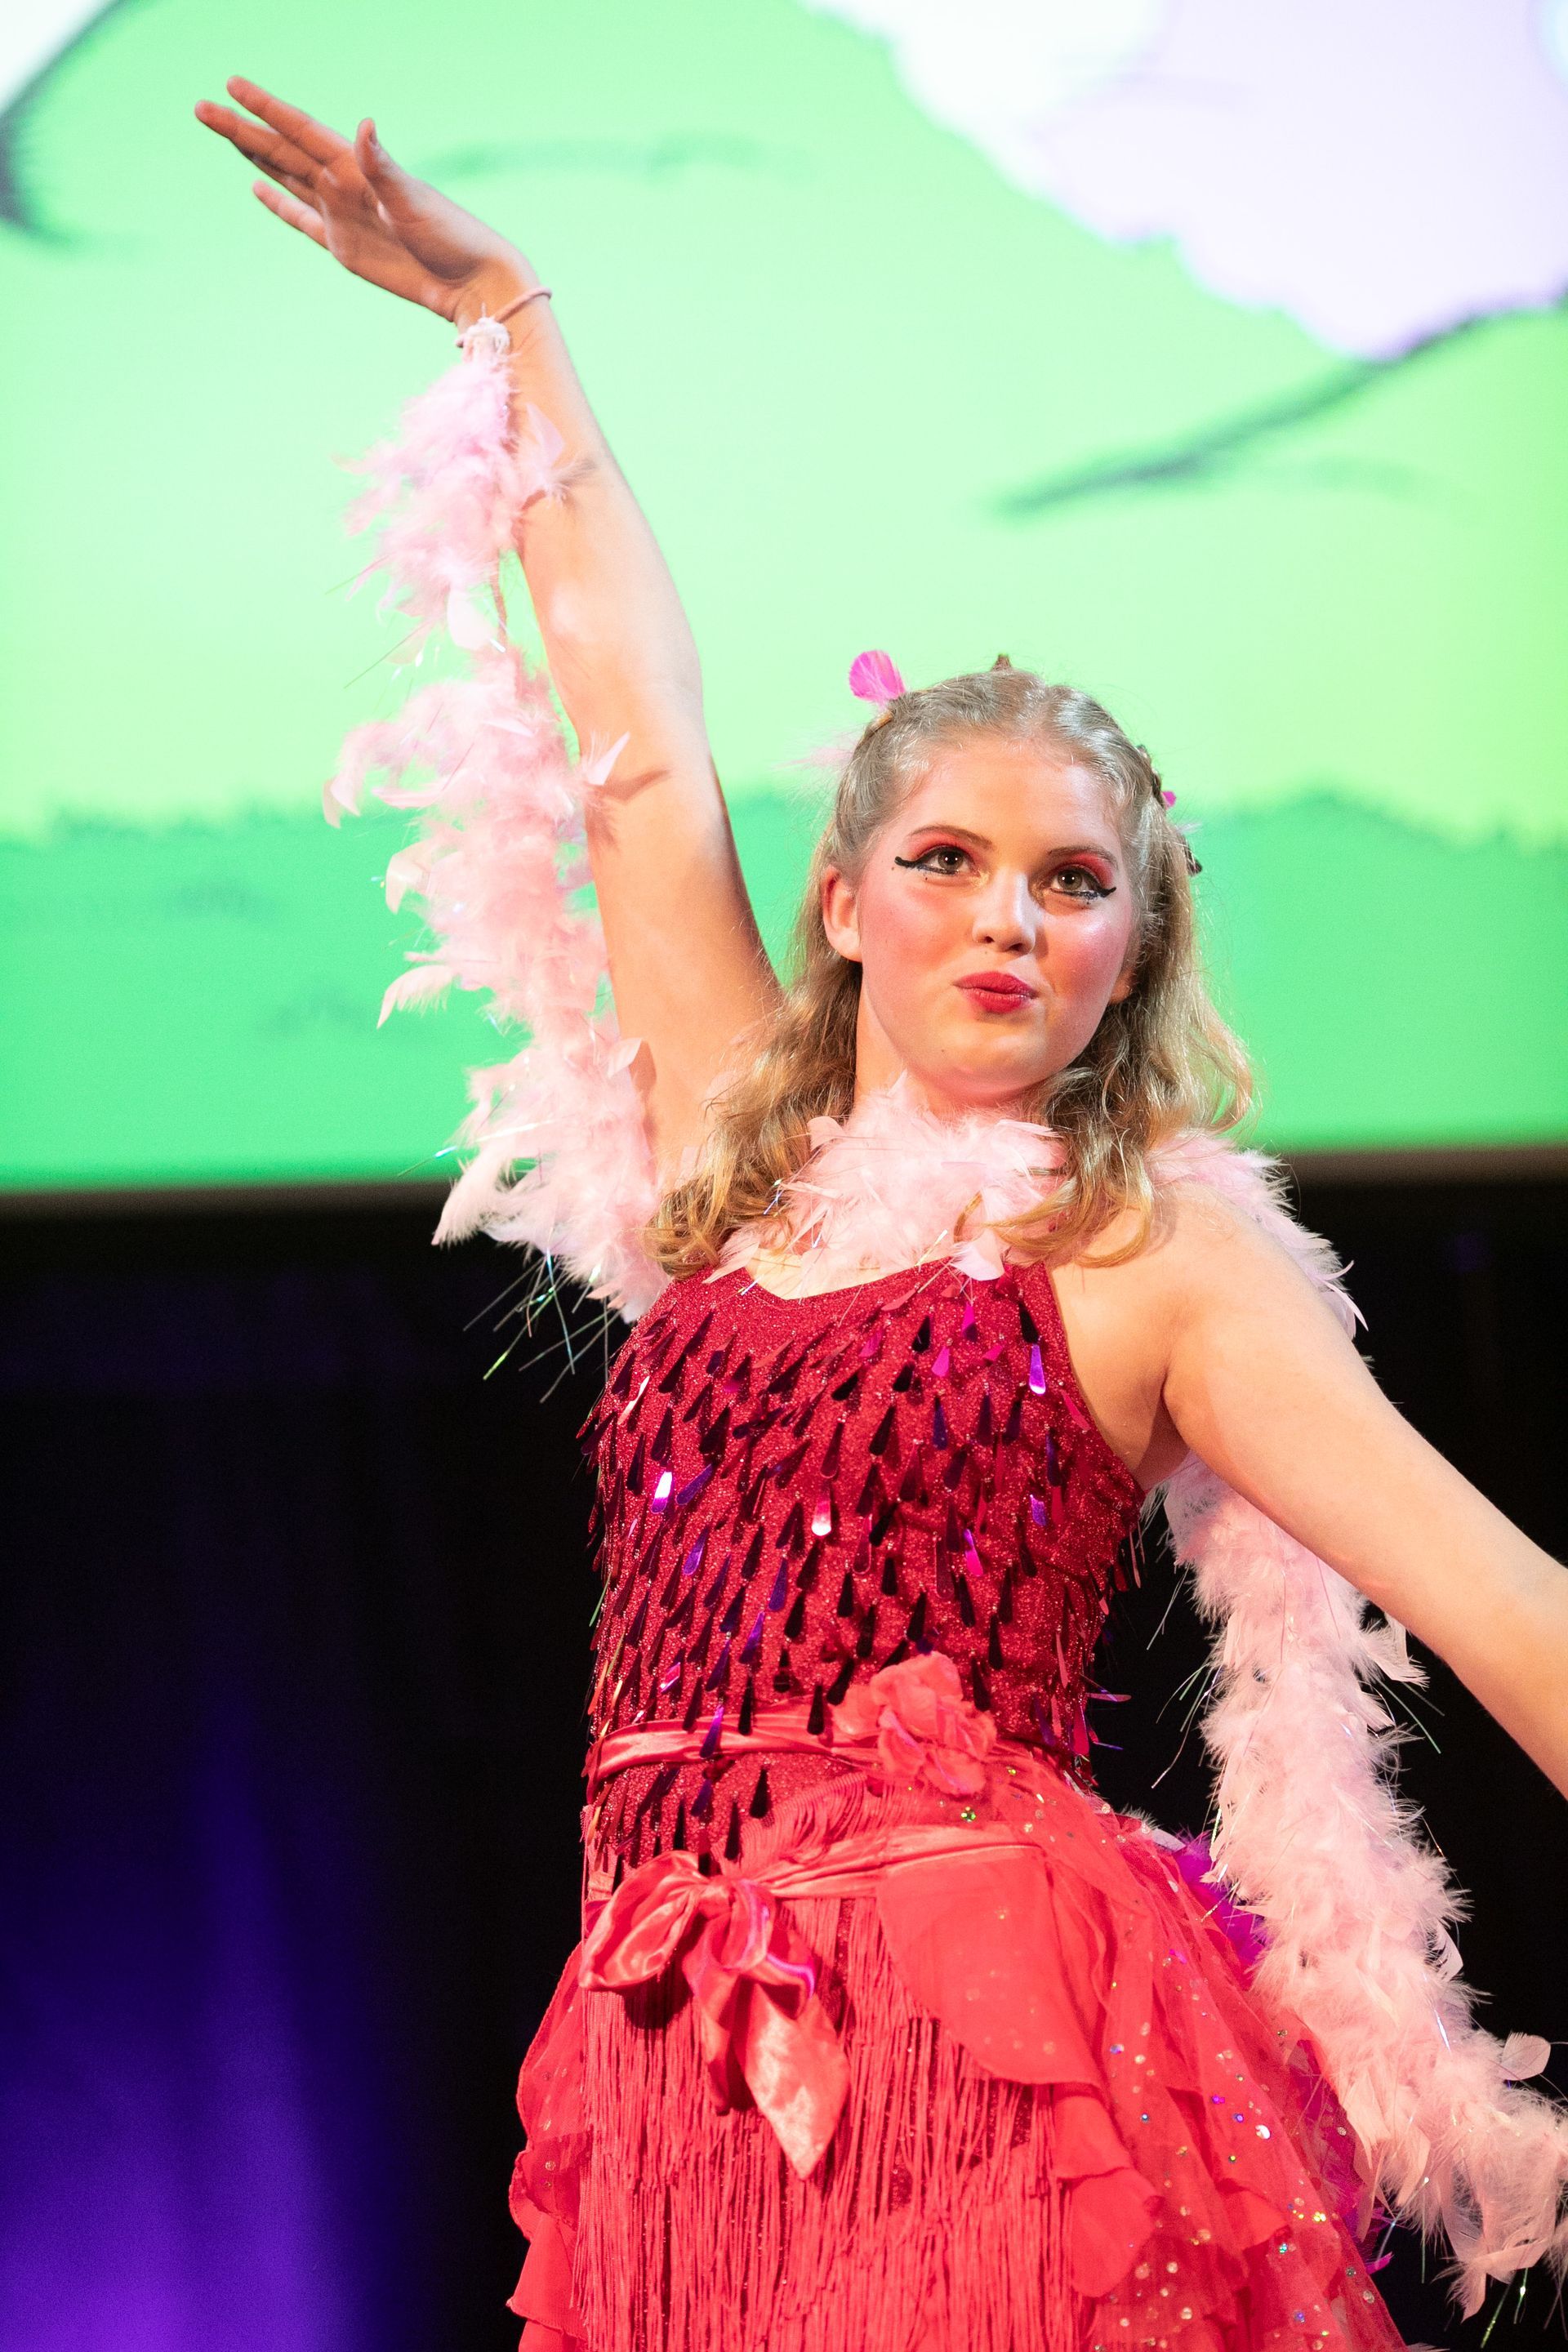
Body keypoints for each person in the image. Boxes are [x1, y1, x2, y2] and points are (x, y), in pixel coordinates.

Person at [197, 83, 1568, 2352]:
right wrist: (509, 317)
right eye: (946, 863)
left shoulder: (1155, 1258)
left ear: (1133, 948)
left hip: (994, 2066)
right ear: (841, 903)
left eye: (1071, 883)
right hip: (664, 2064)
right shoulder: (737, 1146)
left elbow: (1502, 1599)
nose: (1006, 922)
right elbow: (628, 738)